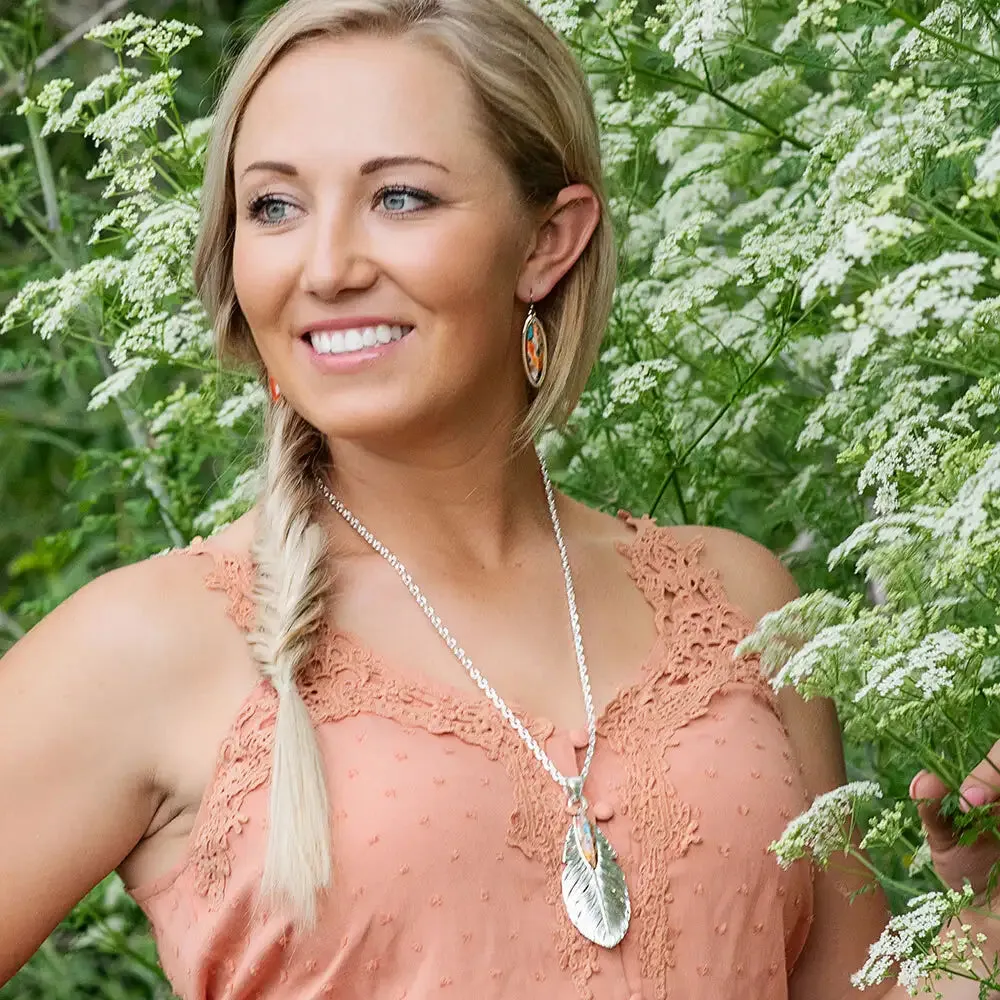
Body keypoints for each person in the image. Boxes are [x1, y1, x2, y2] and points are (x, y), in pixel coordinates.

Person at [1, 0, 998, 997]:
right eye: (272, 206)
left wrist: (977, 930)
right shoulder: (147, 646)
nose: (327, 266)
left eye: (399, 198)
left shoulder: (741, 605)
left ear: (546, 242)